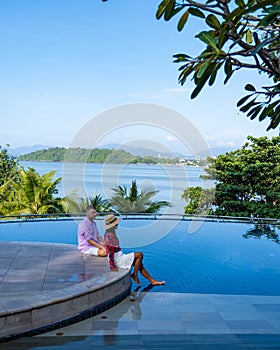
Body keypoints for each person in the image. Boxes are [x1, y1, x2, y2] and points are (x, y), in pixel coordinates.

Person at [103, 214, 165, 286]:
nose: (117, 223)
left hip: (119, 256)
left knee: (139, 264)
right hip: (118, 259)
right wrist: (112, 266)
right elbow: (110, 252)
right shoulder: (109, 235)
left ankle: (152, 281)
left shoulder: (111, 232)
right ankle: (135, 275)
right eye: (116, 223)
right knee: (139, 255)